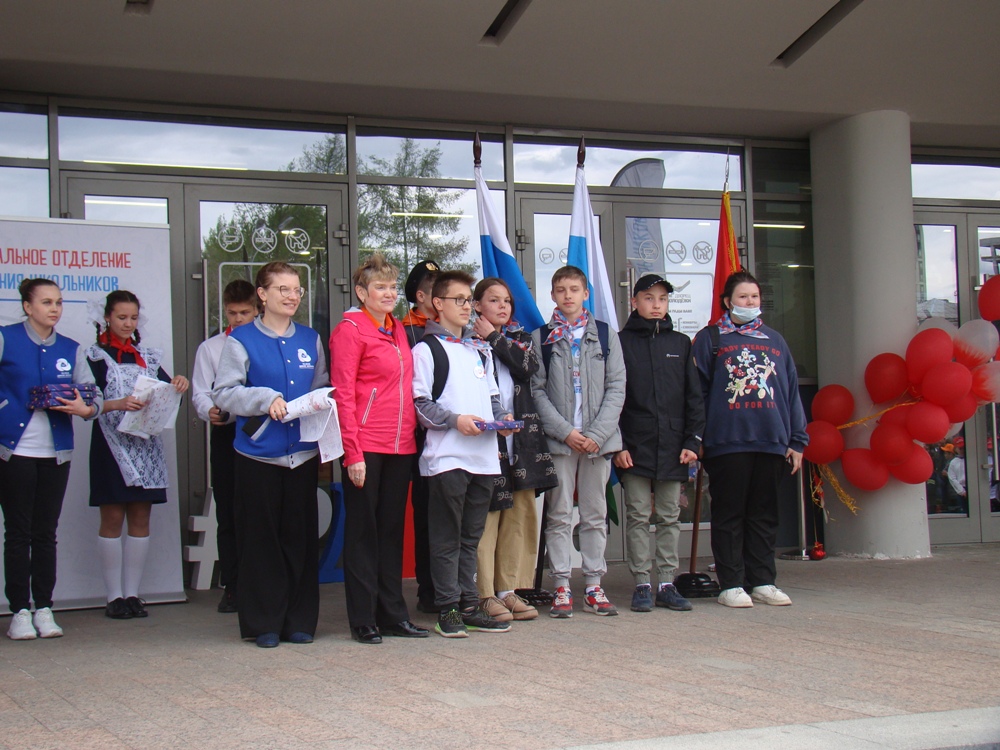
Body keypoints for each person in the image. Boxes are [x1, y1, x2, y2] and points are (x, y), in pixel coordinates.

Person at [212, 262, 328, 648]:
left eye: (296, 290)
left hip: (302, 456)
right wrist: (265, 399)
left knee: (300, 540)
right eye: (283, 289)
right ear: (262, 294)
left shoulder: (310, 338)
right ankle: (264, 623)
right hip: (258, 456)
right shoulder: (241, 339)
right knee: (261, 541)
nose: (292, 296)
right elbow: (224, 393)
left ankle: (299, 621)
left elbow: (321, 388)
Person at [692, 270, 808, 609]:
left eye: (754, 297)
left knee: (764, 515)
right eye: (743, 297)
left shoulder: (775, 340)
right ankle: (731, 584)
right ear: (728, 301)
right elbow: (697, 393)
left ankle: (763, 581)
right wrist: (696, 438)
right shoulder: (711, 339)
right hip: (727, 442)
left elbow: (790, 391)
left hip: (770, 441)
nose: (750, 302)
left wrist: (797, 440)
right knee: (729, 514)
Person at [330, 254, 428, 644]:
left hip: (400, 445)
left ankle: (393, 614)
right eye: (380, 287)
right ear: (361, 292)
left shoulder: (397, 328)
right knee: (362, 533)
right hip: (366, 445)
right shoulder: (350, 330)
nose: (388, 293)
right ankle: (363, 618)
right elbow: (343, 395)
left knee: (390, 532)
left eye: (392, 287)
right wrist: (352, 453)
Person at [412, 270, 514, 638]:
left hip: (484, 458)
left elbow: (492, 398)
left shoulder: (478, 348)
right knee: (446, 537)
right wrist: (456, 421)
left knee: (471, 537)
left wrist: (502, 420)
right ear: (437, 304)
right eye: (459, 300)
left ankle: (469, 605)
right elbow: (420, 405)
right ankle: (447, 608)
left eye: (469, 300)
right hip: (447, 458)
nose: (467, 306)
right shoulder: (426, 350)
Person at [0, 279, 102, 640]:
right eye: (46, 302)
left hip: (55, 453)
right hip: (14, 451)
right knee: (18, 532)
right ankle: (19, 611)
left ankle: (44, 607)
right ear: (28, 307)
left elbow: (93, 396)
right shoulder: (6, 338)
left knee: (45, 532)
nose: (54, 308)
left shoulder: (70, 348)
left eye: (58, 302)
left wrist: (85, 408)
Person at [531, 265, 626, 618]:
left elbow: (617, 387)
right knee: (558, 514)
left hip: (597, 442)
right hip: (561, 442)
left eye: (574, 289)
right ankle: (560, 585)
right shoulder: (541, 337)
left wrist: (596, 434)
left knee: (594, 514)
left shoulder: (605, 334)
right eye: (561, 290)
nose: (567, 296)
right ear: (552, 295)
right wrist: (565, 431)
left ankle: (593, 585)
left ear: (586, 294)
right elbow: (536, 391)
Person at [88, 290, 189, 620]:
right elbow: (87, 402)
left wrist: (178, 384)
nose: (128, 323)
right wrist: (117, 404)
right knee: (112, 517)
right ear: (106, 317)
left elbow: (165, 392)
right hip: (111, 444)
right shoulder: (94, 357)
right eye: (121, 317)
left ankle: (132, 593)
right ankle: (113, 596)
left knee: (141, 517)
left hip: (145, 445)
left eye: (133, 318)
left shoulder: (147, 356)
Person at [615, 273, 705, 613]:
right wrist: (618, 444)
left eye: (662, 299)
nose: (656, 305)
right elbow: (613, 398)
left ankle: (667, 582)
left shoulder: (680, 344)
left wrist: (692, 441)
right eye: (649, 298)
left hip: (674, 446)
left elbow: (694, 397)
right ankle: (642, 582)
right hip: (634, 445)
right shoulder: (620, 343)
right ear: (635, 301)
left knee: (669, 515)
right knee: (638, 514)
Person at [471, 278, 557, 623]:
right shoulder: (467, 340)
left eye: (506, 300)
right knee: (486, 519)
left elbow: (527, 367)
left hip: (522, 443)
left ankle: (508, 590)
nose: (503, 306)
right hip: (485, 442)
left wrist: (495, 337)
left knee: (517, 518)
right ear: (477, 305)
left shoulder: (521, 338)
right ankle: (484, 594)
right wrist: (487, 338)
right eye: (494, 300)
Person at [190, 279, 257, 614]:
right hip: (227, 435)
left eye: (245, 312)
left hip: (261, 433)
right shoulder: (211, 348)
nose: (238, 318)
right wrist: (210, 411)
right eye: (233, 313)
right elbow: (200, 392)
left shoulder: (264, 343)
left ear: (257, 309)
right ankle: (232, 586)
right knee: (229, 511)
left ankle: (260, 583)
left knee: (258, 511)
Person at [401, 259, 440, 613]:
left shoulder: (455, 329)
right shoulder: (403, 330)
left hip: (452, 432)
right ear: (421, 297)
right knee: (425, 511)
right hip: (414, 434)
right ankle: (428, 588)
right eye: (436, 291)